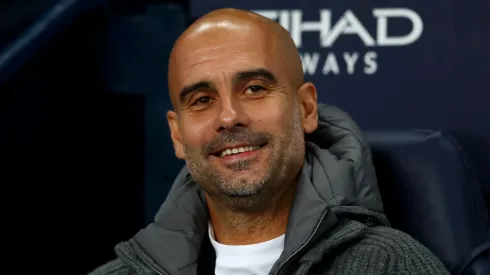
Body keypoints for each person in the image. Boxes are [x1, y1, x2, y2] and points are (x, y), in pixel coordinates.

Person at [90, 8, 449, 275]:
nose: (229, 116)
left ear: (306, 109)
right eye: (201, 99)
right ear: (177, 135)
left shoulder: (394, 266)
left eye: (255, 88)